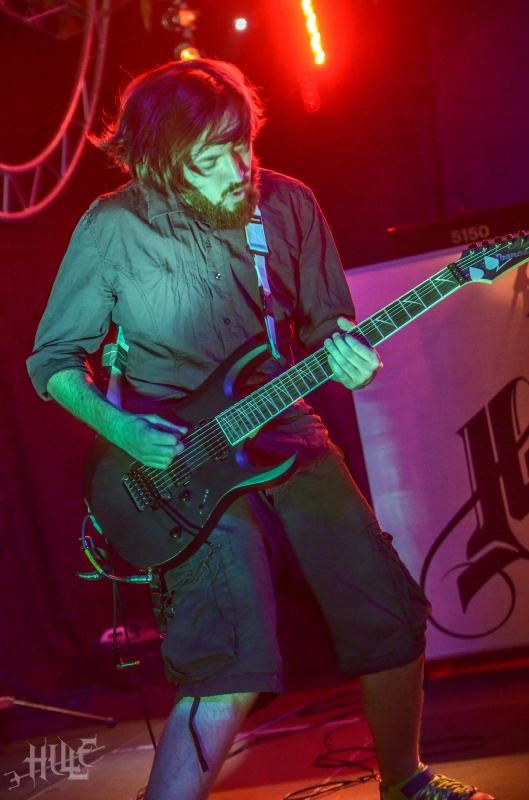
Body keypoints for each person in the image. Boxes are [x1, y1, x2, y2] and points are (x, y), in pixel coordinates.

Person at [27, 59, 495, 800]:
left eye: (241, 145)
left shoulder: (288, 203)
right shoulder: (115, 225)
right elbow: (53, 360)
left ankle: (406, 783)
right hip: (176, 461)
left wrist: (347, 354)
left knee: (387, 610)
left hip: (283, 427)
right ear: (161, 159)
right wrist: (124, 430)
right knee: (227, 656)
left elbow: (326, 321)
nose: (237, 169)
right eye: (210, 158)